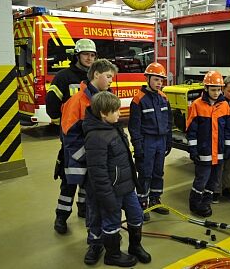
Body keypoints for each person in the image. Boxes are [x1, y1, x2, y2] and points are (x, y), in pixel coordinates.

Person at [83, 91, 151, 267]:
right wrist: (108, 198)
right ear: (104, 113)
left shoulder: (115, 127)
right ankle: (112, 255)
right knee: (111, 223)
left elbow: (125, 159)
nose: (120, 113)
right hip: (111, 191)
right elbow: (97, 173)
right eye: (116, 111)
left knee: (137, 216)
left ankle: (135, 246)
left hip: (127, 187)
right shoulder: (96, 136)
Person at [60, 59, 118, 264]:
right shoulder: (77, 102)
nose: (112, 81)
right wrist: (91, 158)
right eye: (109, 76)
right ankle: (95, 244)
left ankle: (105, 238)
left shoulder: (107, 99)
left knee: (98, 203)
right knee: (92, 206)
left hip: (104, 165)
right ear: (96, 75)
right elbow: (70, 139)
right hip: (89, 164)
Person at [46, 39, 97, 234]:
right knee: (69, 180)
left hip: (92, 139)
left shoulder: (96, 77)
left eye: (92, 55)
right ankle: (61, 216)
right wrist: (66, 123)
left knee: (89, 178)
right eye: (86, 55)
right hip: (73, 140)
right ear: (77, 55)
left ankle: (83, 208)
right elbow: (52, 107)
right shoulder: (63, 77)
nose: (89, 58)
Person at [128, 62, 173, 221]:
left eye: (161, 80)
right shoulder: (138, 99)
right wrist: (138, 147)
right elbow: (134, 127)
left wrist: (169, 140)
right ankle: (142, 203)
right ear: (147, 78)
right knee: (145, 174)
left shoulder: (163, 97)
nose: (159, 83)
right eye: (156, 79)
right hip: (147, 142)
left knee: (158, 172)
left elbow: (169, 121)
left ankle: (155, 199)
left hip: (161, 141)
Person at [186, 71, 230, 217]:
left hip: (218, 152)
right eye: (213, 89)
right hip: (204, 152)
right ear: (206, 88)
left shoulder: (225, 105)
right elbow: (191, 130)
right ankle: (195, 204)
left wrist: (228, 147)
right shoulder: (197, 105)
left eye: (219, 89)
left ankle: (205, 204)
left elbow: (228, 129)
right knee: (201, 180)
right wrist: (193, 149)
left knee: (214, 180)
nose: (216, 92)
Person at [213, 76, 230, 203]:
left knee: (229, 166)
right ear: (223, 89)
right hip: (218, 141)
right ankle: (215, 191)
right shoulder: (216, 103)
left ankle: (226, 189)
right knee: (218, 166)